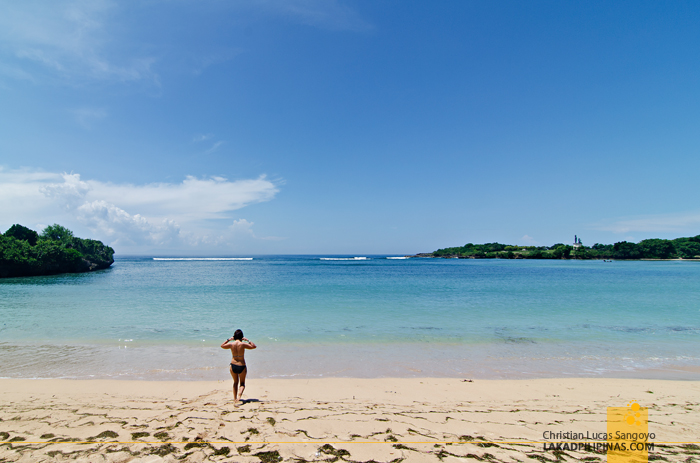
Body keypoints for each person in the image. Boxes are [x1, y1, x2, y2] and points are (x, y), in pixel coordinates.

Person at [220, 329, 256, 404]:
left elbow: (222, 345)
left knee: (235, 382)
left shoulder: (231, 344)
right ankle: (239, 395)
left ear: (234, 336)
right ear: (242, 337)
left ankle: (234, 398)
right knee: (242, 383)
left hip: (233, 365)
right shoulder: (243, 344)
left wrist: (228, 340)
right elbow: (254, 346)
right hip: (241, 365)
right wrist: (247, 340)